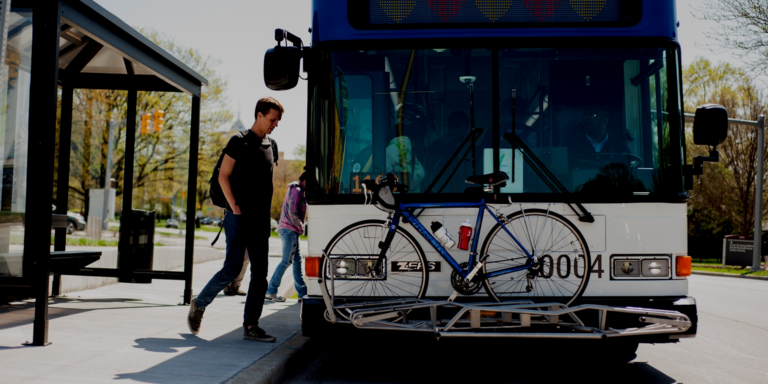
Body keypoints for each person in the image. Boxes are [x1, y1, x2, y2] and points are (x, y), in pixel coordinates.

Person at [187, 97, 283, 342]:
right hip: (238, 216)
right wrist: (236, 208)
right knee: (231, 269)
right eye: (273, 119)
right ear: (259, 114)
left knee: (260, 273)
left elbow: (266, 182)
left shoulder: (272, 145)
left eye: (278, 121)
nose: (275, 124)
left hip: (261, 220)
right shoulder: (238, 141)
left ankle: (251, 326)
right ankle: (200, 303)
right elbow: (223, 176)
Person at [265, 172, 309, 302]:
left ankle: (302, 292)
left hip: (290, 229)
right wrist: (301, 226)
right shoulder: (297, 190)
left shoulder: (297, 189)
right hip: (290, 229)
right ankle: (271, 291)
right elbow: (292, 210)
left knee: (296, 262)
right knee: (286, 261)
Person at [568, 106, 632, 166]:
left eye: (592, 115)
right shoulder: (572, 146)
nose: (586, 119)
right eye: (585, 116)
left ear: (605, 120)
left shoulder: (620, 148)